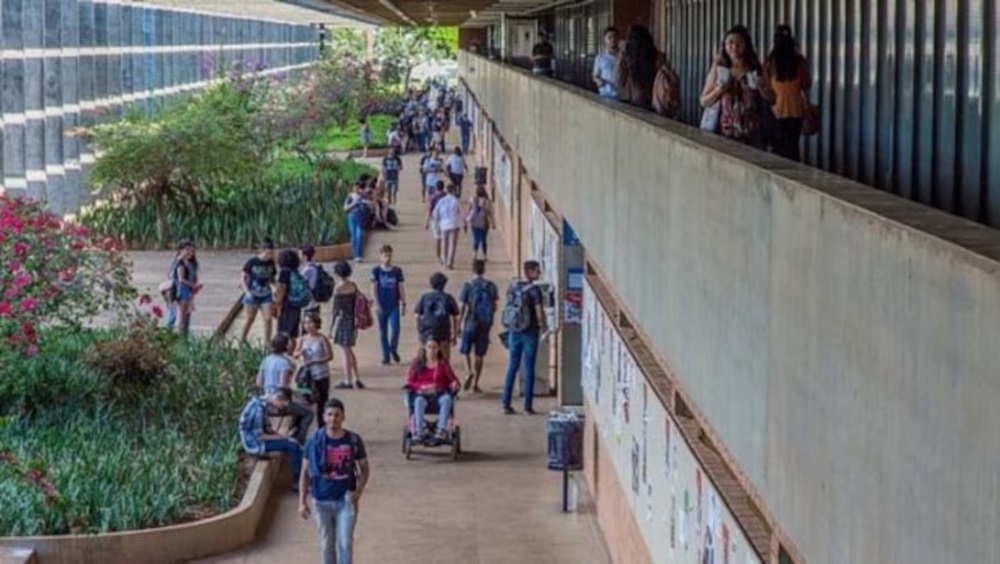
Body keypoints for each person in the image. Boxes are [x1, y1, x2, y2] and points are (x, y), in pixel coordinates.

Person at [299, 398, 370, 564]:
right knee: (326, 544)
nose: (333, 419)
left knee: (345, 542)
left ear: (343, 417)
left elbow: (364, 468)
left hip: (346, 500)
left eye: (337, 415)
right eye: (330, 414)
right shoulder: (314, 442)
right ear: (324, 417)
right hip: (321, 500)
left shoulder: (353, 440)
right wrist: (302, 501)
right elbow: (305, 472)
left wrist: (358, 491)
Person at [700, 25, 769, 147]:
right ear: (725, 46)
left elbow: (772, 99)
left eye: (739, 43)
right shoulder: (719, 70)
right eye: (730, 43)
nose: (734, 47)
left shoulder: (755, 69)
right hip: (724, 134)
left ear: (746, 45)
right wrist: (718, 91)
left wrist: (761, 89)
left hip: (753, 135)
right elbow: (703, 101)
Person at [500, 261, 547, 415]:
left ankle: (506, 403)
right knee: (529, 368)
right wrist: (543, 326)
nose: (539, 273)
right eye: (537, 270)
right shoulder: (535, 290)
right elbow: (539, 311)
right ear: (530, 271)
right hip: (529, 331)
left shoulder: (513, 286)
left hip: (514, 330)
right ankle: (527, 405)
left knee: (512, 366)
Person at [764, 25, 811, 161]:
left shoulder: (770, 62)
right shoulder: (799, 61)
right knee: (792, 147)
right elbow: (806, 84)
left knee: (777, 148)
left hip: (775, 110)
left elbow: (765, 86)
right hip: (796, 111)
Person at [257, 333, 315, 445]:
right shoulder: (284, 363)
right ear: (285, 346)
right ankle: (298, 440)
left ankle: (295, 437)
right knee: (308, 414)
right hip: (279, 402)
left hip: (266, 399)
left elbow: (259, 382)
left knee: (299, 410)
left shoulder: (266, 360)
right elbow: (282, 385)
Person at [240, 387, 302, 492]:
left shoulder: (262, 405)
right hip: (254, 443)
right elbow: (259, 436)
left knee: (296, 445)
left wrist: (283, 437)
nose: (281, 408)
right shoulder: (258, 409)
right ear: (278, 398)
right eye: (282, 404)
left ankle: (300, 475)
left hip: (259, 439)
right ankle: (297, 481)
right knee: (292, 447)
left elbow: (267, 428)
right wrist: (285, 438)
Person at [405, 340, 461, 441]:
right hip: (422, 395)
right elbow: (410, 381)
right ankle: (419, 431)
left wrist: (454, 384)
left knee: (447, 399)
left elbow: (453, 380)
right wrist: (422, 387)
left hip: (439, 394)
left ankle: (441, 430)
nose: (432, 350)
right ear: (425, 348)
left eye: (434, 347)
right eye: (429, 347)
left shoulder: (443, 364)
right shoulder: (417, 363)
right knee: (418, 401)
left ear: (438, 349)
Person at [458, 259, 499, 393]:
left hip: (471, 321)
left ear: (472, 270)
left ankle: (468, 371)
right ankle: (476, 384)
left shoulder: (468, 286)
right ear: (484, 270)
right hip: (484, 323)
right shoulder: (491, 286)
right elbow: (495, 306)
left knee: (465, 350)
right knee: (480, 354)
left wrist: (458, 325)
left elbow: (463, 307)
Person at [369, 245, 406, 365]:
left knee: (395, 328)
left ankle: (393, 349)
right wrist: (377, 304)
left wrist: (404, 302)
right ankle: (386, 356)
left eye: (389, 255)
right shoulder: (376, 271)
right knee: (383, 331)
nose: (388, 258)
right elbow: (374, 288)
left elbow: (400, 287)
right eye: (385, 256)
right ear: (381, 257)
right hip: (381, 305)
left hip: (393, 304)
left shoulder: (397, 271)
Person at [330, 261, 365, 389]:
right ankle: (357, 378)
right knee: (349, 350)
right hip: (353, 319)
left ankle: (348, 380)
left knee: (345, 351)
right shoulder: (353, 286)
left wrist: (332, 326)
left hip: (343, 319)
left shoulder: (338, 288)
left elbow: (336, 309)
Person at [295, 313, 334, 427]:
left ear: (316, 324)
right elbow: (295, 353)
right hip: (307, 376)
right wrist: (300, 353)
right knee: (305, 400)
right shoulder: (302, 339)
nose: (308, 326)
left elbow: (329, 356)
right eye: (306, 323)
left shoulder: (322, 339)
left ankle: (322, 426)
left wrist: (316, 361)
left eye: (310, 322)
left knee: (322, 402)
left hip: (321, 374)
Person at [414, 272, 460, 361]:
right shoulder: (448, 298)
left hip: (427, 332)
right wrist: (455, 334)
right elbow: (456, 317)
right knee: (445, 361)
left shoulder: (425, 297)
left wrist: (420, 331)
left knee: (423, 359)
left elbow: (417, 315)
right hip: (444, 332)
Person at [240, 238, 277, 343]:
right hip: (252, 293)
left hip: (266, 294)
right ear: (263, 251)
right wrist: (246, 291)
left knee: (268, 318)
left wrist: (274, 288)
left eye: (271, 253)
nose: (269, 255)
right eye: (268, 253)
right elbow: (243, 277)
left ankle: (267, 342)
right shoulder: (252, 262)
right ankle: (242, 340)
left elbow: (272, 279)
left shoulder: (271, 263)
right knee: (250, 318)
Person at [275, 249, 311, 353]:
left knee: (283, 332)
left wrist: (278, 305)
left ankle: (285, 354)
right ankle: (291, 354)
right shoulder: (295, 272)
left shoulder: (284, 272)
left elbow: (282, 289)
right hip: (296, 306)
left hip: (287, 305)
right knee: (293, 334)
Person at [617, 25, 660, 109]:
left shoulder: (627, 56)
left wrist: (622, 51)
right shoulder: (656, 56)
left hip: (629, 97)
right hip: (652, 96)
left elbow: (619, 76)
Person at [170, 240, 202, 337]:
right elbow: (181, 279)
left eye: (192, 251)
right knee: (182, 318)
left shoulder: (188, 263)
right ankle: (181, 339)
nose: (189, 253)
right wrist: (194, 285)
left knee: (184, 316)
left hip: (187, 291)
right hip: (182, 291)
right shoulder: (180, 263)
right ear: (180, 250)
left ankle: (184, 337)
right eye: (187, 250)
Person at [432, 184, 463, 270]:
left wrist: (437, 222)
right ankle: (450, 262)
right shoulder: (455, 200)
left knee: (444, 243)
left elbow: (435, 212)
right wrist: (464, 223)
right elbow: (461, 212)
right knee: (452, 244)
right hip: (454, 224)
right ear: (453, 191)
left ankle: (445, 260)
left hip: (444, 224)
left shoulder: (442, 200)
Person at [465, 184, 494, 261]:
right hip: (484, 223)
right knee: (484, 239)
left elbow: (469, 210)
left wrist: (466, 220)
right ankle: (485, 256)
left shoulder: (472, 199)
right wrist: (492, 223)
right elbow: (489, 213)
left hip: (474, 222)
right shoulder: (487, 201)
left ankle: (475, 255)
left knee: (476, 238)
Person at [343, 182, 369, 263]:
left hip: (360, 218)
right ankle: (355, 255)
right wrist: (354, 203)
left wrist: (365, 202)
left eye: (358, 188)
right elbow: (345, 208)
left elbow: (370, 204)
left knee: (359, 236)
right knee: (354, 237)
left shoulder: (363, 196)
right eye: (355, 188)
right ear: (353, 188)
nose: (357, 189)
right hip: (352, 217)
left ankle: (359, 255)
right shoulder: (350, 196)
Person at [593, 27, 620, 98]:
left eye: (615, 36)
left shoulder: (623, 56)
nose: (613, 39)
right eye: (610, 37)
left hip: (621, 95)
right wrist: (598, 81)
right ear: (605, 39)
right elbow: (595, 75)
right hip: (605, 94)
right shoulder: (600, 57)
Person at [424, 181, 447, 263]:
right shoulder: (446, 196)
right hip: (445, 219)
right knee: (445, 239)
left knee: (438, 238)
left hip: (436, 220)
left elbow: (429, 210)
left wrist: (426, 222)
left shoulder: (433, 197)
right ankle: (445, 255)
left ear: (436, 188)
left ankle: (438, 256)